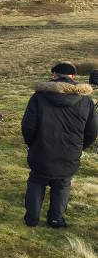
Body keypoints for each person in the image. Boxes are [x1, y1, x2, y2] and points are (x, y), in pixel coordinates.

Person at [21, 62, 98, 228]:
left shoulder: (38, 97)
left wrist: (32, 144)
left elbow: (28, 126)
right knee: (62, 186)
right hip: (69, 155)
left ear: (55, 75)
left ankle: (32, 219)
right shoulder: (86, 101)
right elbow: (92, 132)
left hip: (41, 152)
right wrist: (79, 147)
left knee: (36, 182)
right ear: (73, 77)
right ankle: (56, 219)